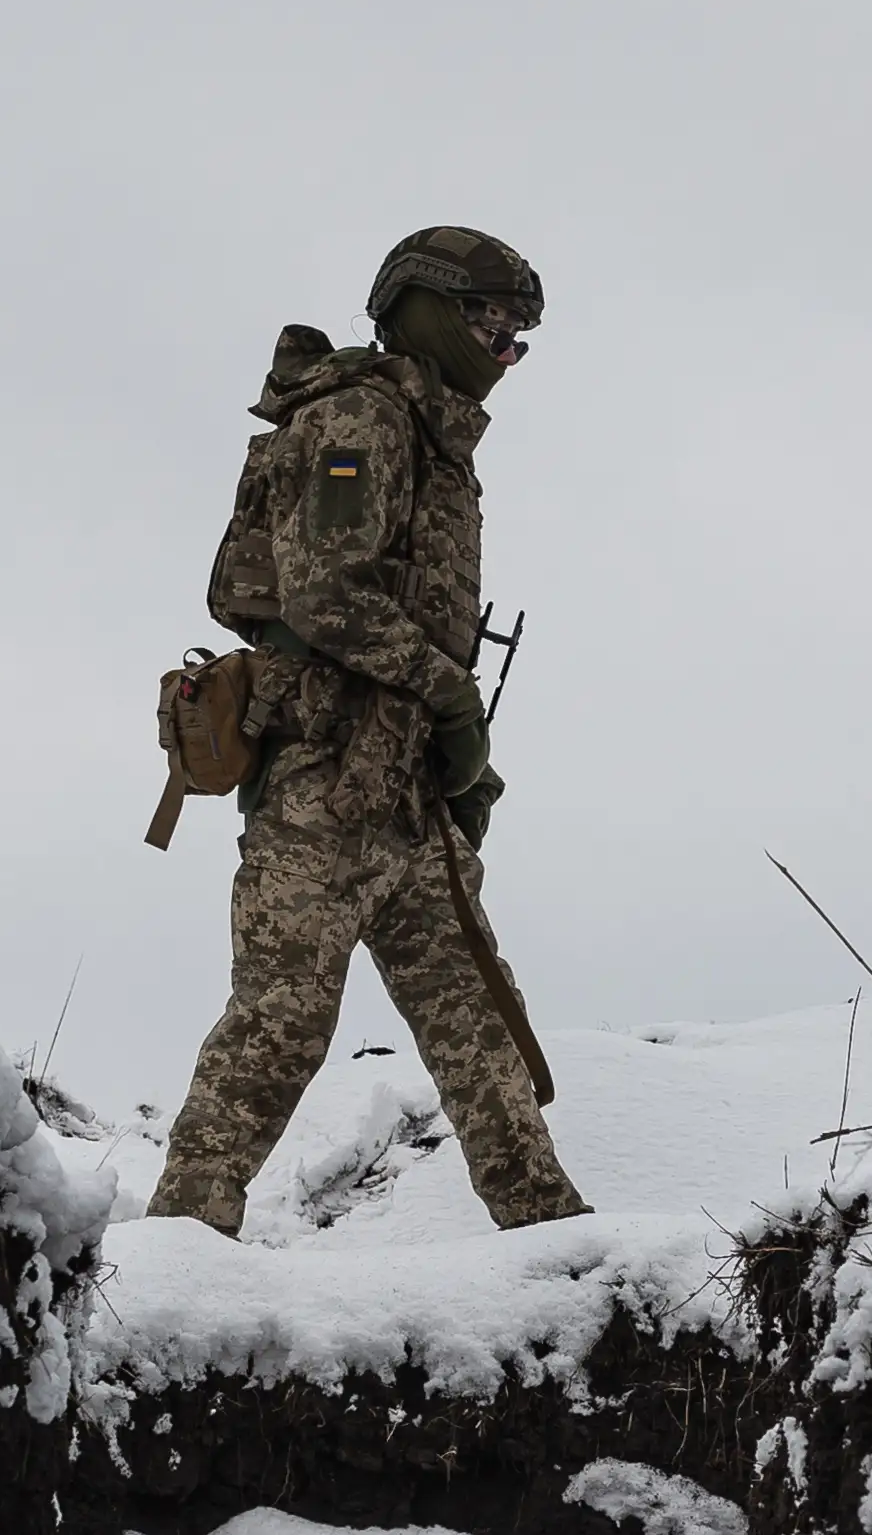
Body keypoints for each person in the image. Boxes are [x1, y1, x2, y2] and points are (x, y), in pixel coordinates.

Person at [149, 226, 591, 1235]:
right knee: (280, 1024)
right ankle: (174, 1254)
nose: (504, 349)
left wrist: (451, 764)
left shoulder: (435, 439)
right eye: (489, 322)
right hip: (318, 787)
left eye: (519, 334)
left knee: (481, 1030)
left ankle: (559, 1250)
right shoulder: (362, 419)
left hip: (403, 802)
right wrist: (451, 700)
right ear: (424, 307)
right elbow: (323, 595)